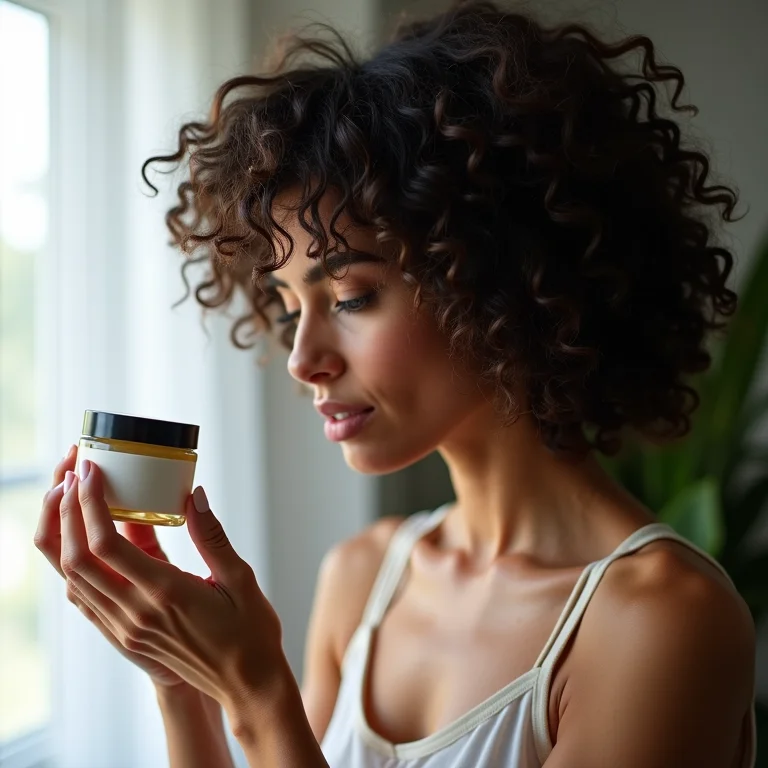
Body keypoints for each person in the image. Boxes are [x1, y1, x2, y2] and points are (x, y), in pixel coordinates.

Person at [34, 1, 757, 766]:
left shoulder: (662, 621)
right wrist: (183, 683)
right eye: (288, 307)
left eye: (350, 297)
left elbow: (269, 725)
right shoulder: (365, 575)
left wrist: (255, 694)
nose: (302, 357)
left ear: (495, 278)